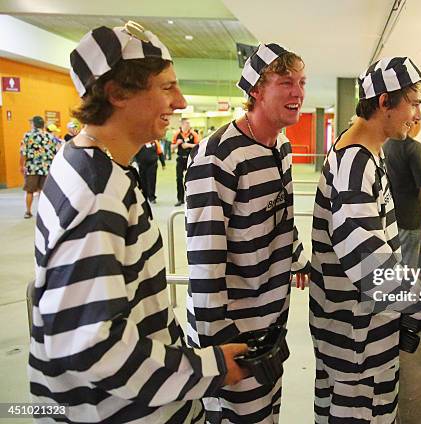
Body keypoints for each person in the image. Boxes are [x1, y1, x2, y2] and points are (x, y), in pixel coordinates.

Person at [28, 21, 248, 423]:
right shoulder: (97, 194)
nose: (180, 102)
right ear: (118, 93)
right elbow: (93, 348)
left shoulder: (90, 164)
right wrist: (212, 369)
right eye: (166, 87)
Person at [309, 57, 421, 423]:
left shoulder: (366, 152)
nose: (417, 115)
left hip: (363, 337)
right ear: (384, 102)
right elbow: (375, 275)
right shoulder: (355, 165)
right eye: (413, 103)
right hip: (355, 344)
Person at [184, 42, 311, 423]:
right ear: (255, 90)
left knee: (268, 413)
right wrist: (217, 342)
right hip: (232, 329)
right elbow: (205, 256)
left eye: (302, 82)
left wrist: (296, 256)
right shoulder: (218, 156)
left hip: (271, 317)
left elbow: (282, 215)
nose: (298, 92)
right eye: (285, 82)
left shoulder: (280, 147)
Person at [383, 117, 421, 269]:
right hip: (409, 220)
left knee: (394, 267)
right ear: (414, 123)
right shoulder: (414, 148)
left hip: (391, 217)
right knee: (408, 270)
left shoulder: (386, 145)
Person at [19, 115, 57, 219]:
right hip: (46, 168)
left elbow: (23, 152)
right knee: (43, 191)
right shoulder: (50, 136)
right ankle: (43, 212)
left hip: (32, 168)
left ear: (33, 124)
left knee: (30, 191)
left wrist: (21, 166)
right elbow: (55, 152)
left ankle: (28, 211)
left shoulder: (28, 135)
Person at [173, 118, 198, 206]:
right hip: (180, 159)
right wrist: (177, 144)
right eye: (186, 123)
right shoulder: (177, 134)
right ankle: (180, 199)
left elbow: (198, 146)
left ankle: (192, 199)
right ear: (182, 124)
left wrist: (188, 145)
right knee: (179, 179)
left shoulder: (193, 134)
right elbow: (172, 147)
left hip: (190, 159)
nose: (188, 125)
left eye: (189, 123)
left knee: (191, 179)